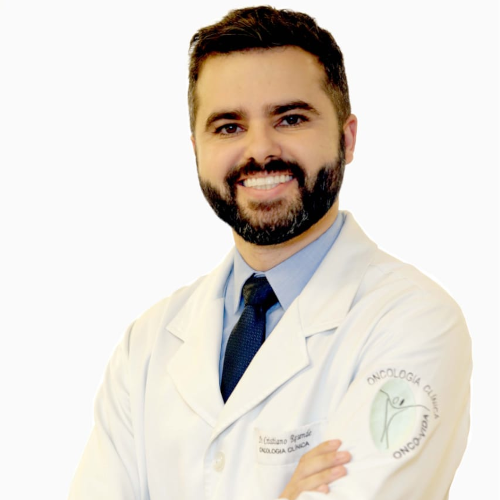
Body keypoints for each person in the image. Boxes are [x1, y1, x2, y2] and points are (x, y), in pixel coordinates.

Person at [68, 6, 471, 500]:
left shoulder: (414, 323)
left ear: (346, 139)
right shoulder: (147, 345)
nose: (260, 150)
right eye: (228, 127)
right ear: (196, 149)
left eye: (291, 118)